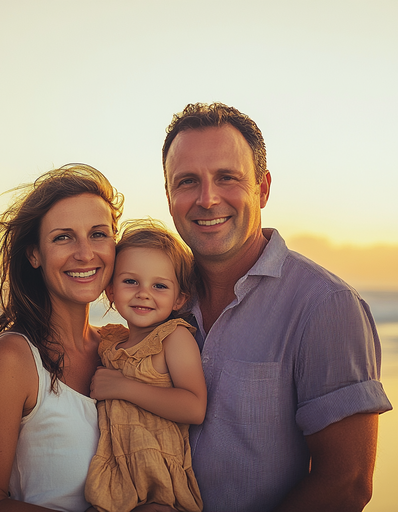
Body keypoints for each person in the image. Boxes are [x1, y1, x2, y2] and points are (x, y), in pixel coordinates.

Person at [161, 103, 393, 512]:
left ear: (263, 188)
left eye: (227, 177)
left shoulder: (326, 306)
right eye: (187, 182)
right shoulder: (158, 300)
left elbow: (346, 484)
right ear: (169, 196)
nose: (207, 198)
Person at [0, 163, 130, 512]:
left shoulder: (121, 348)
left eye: (98, 234)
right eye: (63, 237)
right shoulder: (10, 361)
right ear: (34, 254)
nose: (85, 253)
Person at [85, 220, 206, 512]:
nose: (143, 293)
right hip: (116, 481)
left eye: (159, 286)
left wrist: (124, 387)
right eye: (130, 281)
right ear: (111, 290)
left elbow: (194, 407)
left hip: (160, 486)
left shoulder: (173, 338)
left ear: (179, 298)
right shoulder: (110, 344)